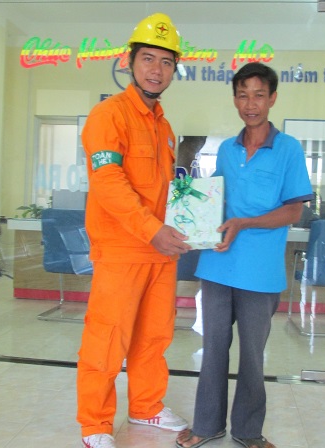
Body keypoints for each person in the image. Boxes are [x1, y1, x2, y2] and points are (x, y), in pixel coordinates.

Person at [176, 62, 313, 448]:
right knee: (213, 350)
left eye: (258, 95)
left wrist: (244, 223)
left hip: (260, 272)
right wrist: (190, 217)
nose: (250, 104)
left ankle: (249, 431)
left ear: (272, 99)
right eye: (242, 95)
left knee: (252, 356)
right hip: (218, 266)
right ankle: (207, 425)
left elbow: (293, 211)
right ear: (235, 100)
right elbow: (217, 202)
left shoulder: (288, 149)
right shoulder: (226, 150)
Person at [77, 12, 192, 448]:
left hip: (161, 252)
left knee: (153, 337)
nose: (156, 70)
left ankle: (146, 406)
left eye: (166, 62)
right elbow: (108, 183)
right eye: (148, 58)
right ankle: (95, 426)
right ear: (129, 62)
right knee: (107, 340)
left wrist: (185, 223)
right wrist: (151, 229)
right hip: (123, 251)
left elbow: (165, 192)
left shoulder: (164, 127)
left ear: (174, 70)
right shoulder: (109, 115)